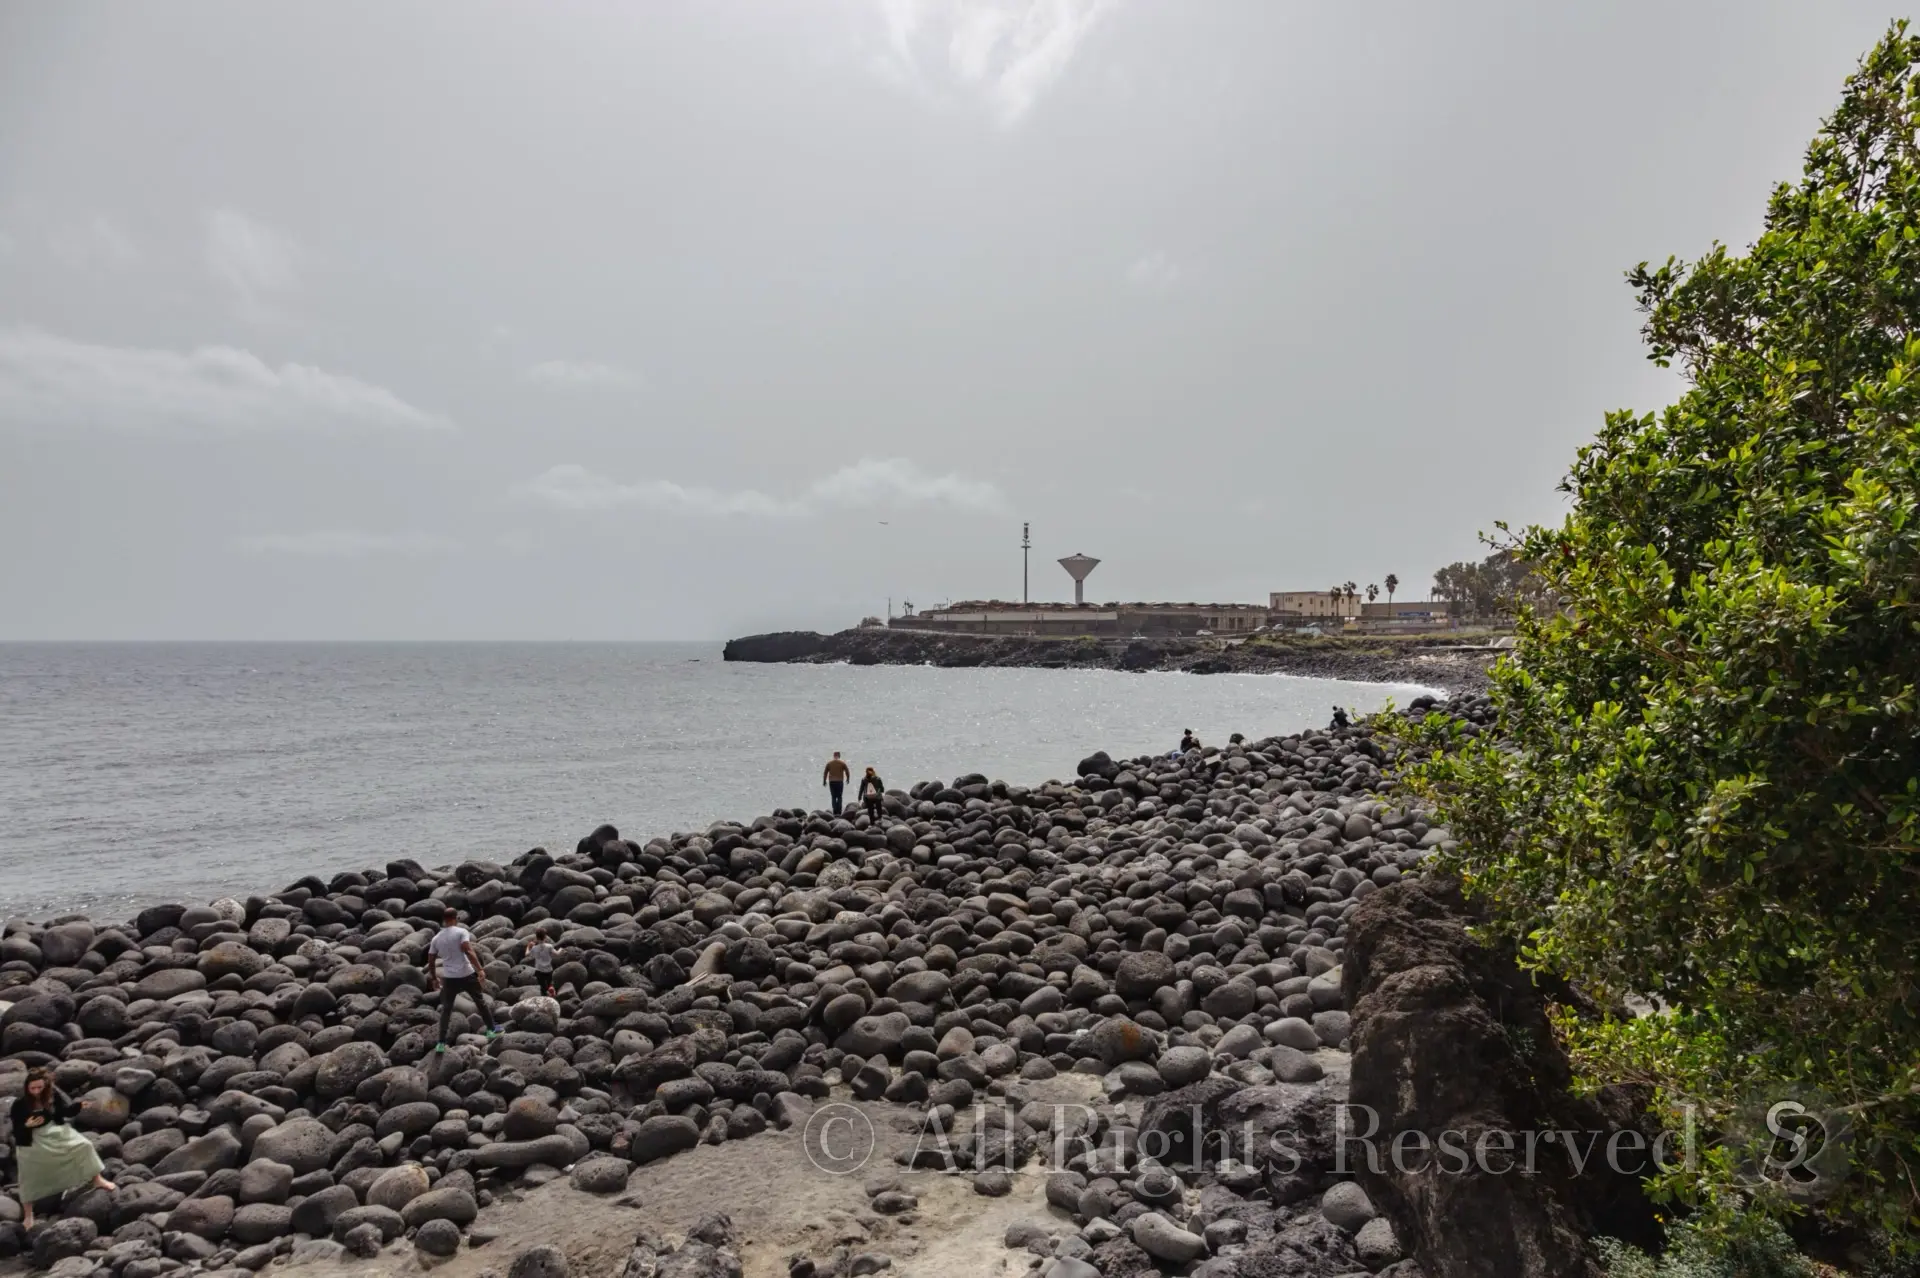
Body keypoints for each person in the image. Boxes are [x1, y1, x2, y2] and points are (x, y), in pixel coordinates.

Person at [11, 1067, 115, 1229]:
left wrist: (79, 1106)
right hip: (30, 1138)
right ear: (27, 1087)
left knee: (84, 1145)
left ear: (45, 1086)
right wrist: (26, 1125)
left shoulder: (52, 1096)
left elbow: (64, 1111)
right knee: (28, 1173)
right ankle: (28, 1214)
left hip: (55, 1131)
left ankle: (97, 1179)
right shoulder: (19, 1104)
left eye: (39, 1087)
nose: (36, 1091)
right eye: (32, 1088)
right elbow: (16, 1129)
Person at [427, 907, 501, 1053]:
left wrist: (434, 978)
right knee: (480, 1001)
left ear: (444, 920)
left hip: (449, 978)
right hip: (467, 974)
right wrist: (480, 969)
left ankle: (441, 1043)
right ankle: (491, 1030)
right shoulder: (461, 932)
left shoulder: (436, 938)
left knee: (446, 1009)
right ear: (456, 918)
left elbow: (431, 960)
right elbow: (467, 950)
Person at [529, 927, 558, 997]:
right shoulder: (549, 946)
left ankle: (545, 994)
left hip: (539, 970)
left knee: (543, 988)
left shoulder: (534, 948)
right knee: (550, 983)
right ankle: (551, 988)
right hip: (549, 969)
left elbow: (528, 954)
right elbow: (557, 954)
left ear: (536, 938)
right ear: (545, 937)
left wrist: (528, 946)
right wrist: (561, 950)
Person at [822, 751, 850, 816]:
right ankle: (839, 811)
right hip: (839, 782)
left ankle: (835, 811)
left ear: (834, 756)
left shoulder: (829, 763)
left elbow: (825, 772)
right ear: (839, 756)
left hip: (832, 782)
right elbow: (847, 771)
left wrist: (824, 781)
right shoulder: (842, 763)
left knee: (833, 796)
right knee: (839, 796)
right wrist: (848, 779)